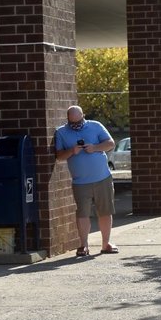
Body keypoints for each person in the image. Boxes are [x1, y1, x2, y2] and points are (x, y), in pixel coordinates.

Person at [55, 105, 119, 257]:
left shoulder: (95, 126)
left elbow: (111, 144)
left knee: (105, 211)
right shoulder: (61, 132)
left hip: (102, 177)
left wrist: (95, 147)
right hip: (80, 182)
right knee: (82, 213)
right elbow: (59, 156)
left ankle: (106, 244)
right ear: (68, 120)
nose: (76, 126)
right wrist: (72, 151)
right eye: (73, 124)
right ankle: (83, 245)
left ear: (84, 115)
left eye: (79, 122)